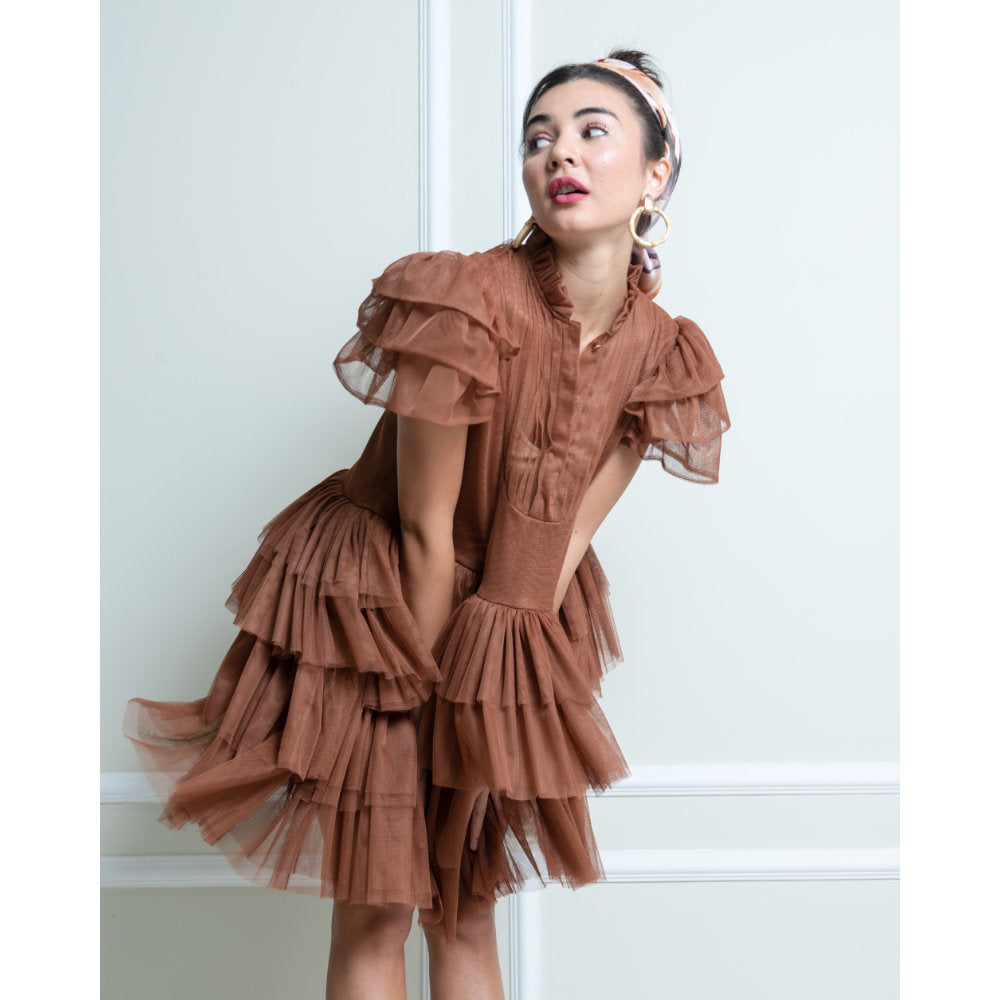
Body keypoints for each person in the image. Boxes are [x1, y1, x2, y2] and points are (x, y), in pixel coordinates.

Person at [124, 49, 730, 1000]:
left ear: (657, 175)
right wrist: (432, 698)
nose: (559, 153)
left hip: (512, 614)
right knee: (381, 905)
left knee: (465, 901)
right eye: (538, 137)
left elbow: (564, 544)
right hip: (387, 609)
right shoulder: (466, 299)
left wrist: (500, 698)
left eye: (591, 131)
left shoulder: (664, 354)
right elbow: (422, 532)